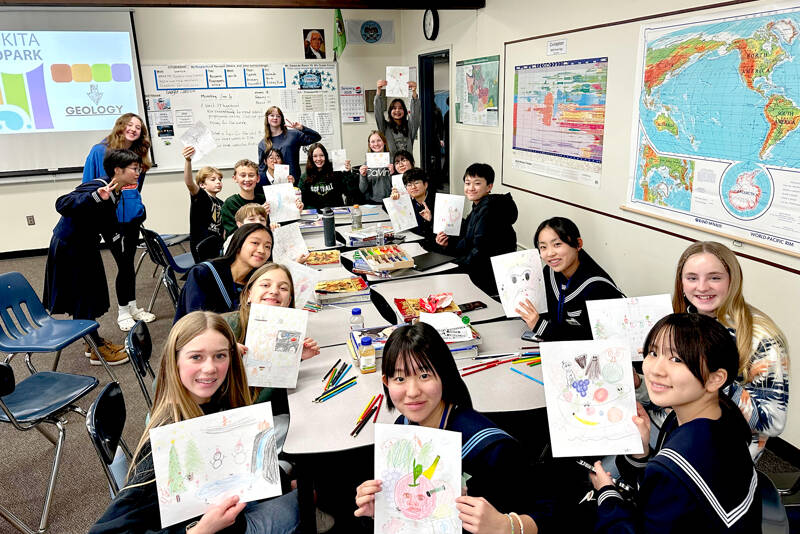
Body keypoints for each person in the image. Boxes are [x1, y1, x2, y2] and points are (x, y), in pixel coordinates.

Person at [89, 311, 299, 534]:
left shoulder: (217, 400)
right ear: (175, 360)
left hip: (233, 503)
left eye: (220, 356)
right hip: (221, 527)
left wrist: (283, 485)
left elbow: (239, 469)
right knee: (310, 499)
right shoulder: (167, 440)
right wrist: (201, 531)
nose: (210, 368)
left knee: (297, 471)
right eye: (196, 357)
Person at [354, 323, 551, 533]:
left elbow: (552, 514)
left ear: (444, 376)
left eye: (424, 376)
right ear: (386, 382)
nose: (412, 392)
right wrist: (380, 511)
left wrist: (506, 525)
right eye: (400, 378)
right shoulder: (403, 429)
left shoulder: (491, 449)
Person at [591, 313, 760, 533]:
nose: (655, 370)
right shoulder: (724, 414)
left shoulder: (679, 459)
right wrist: (642, 455)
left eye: (677, 359)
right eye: (653, 352)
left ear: (715, 378)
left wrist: (606, 494)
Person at [666, 241, 789, 459]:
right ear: (681, 283)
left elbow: (773, 422)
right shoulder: (681, 321)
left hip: (728, 447)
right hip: (676, 426)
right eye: (692, 278)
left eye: (715, 277)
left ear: (733, 280)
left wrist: (713, 377)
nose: (702, 287)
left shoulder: (762, 337)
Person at [43, 149, 140, 366]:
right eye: (134, 169)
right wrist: (96, 196)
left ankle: (92, 342)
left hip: (85, 246)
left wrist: (120, 249)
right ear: (118, 170)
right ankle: (95, 348)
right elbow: (62, 203)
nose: (138, 173)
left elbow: (107, 223)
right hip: (70, 247)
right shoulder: (98, 186)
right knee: (83, 297)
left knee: (90, 296)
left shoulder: (116, 191)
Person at [82, 112, 156, 331]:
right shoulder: (99, 150)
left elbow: (136, 185)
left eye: (138, 127)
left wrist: (136, 205)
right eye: (130, 125)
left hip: (132, 216)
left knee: (129, 262)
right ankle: (123, 311)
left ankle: (132, 306)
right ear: (120, 126)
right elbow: (88, 184)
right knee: (123, 265)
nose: (134, 129)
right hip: (111, 219)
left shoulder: (137, 153)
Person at [224, 263, 320, 404]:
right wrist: (222, 355)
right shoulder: (224, 328)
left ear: (289, 301)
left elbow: (269, 390)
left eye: (283, 288)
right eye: (265, 285)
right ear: (249, 294)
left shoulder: (286, 332)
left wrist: (294, 359)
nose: (274, 291)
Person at [517, 217, 624, 341]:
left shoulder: (598, 287)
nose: (550, 253)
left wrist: (540, 326)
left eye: (557, 244)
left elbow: (593, 339)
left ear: (578, 244)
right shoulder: (549, 271)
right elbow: (547, 313)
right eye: (543, 247)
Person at [434, 163, 518, 295]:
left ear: (489, 186)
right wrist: (448, 244)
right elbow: (468, 242)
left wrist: (453, 265)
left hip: (487, 278)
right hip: (479, 271)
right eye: (467, 183)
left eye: (477, 183)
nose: (471, 188)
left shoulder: (490, 211)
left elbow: (480, 253)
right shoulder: (478, 207)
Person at [175, 224, 272, 322]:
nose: (262, 250)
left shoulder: (259, 282)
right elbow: (195, 321)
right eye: (255, 243)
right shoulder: (204, 274)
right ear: (238, 244)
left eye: (267, 246)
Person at [257, 106, 321, 185]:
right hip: (273, 186)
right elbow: (262, 169)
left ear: (282, 119)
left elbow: (316, 137)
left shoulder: (294, 135)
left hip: (294, 182)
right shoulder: (263, 143)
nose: (275, 118)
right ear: (267, 118)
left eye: (278, 116)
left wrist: (302, 128)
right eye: (272, 115)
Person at [183, 146, 224, 263]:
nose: (218, 182)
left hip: (216, 245)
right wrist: (188, 161)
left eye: (220, 179)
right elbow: (189, 183)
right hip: (201, 246)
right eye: (213, 179)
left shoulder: (222, 203)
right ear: (202, 184)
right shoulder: (202, 197)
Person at [298, 142, 354, 209]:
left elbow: (350, 192)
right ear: (311, 158)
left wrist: (348, 173)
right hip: (315, 215)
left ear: (326, 156)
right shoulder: (305, 177)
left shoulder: (336, 172)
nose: (318, 159)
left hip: (336, 213)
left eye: (321, 155)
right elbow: (302, 200)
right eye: (315, 156)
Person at [374, 79, 420, 159]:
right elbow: (378, 113)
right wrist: (378, 91)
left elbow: (415, 114)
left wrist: (414, 93)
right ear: (390, 111)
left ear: (404, 111)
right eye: (394, 108)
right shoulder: (385, 127)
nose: (397, 110)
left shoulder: (410, 126)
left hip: (407, 165)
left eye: (400, 108)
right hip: (391, 167)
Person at [221, 159, 268, 237]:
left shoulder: (265, 200)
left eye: (251, 175)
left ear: (258, 178)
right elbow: (234, 233)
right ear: (235, 178)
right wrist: (259, 212)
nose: (247, 179)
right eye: (243, 175)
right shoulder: (230, 203)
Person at [390, 167, 435, 246]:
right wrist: (394, 200)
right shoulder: (408, 203)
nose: (413, 187)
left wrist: (429, 220)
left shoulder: (437, 202)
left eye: (416, 183)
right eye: (409, 185)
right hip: (412, 243)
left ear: (425, 185)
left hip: (432, 245)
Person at [358, 131, 394, 203]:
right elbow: (362, 190)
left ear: (384, 142)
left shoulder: (393, 161)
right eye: (373, 142)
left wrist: (392, 173)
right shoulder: (367, 164)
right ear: (370, 145)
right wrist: (363, 176)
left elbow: (399, 187)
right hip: (372, 202)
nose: (376, 144)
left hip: (392, 201)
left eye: (379, 140)